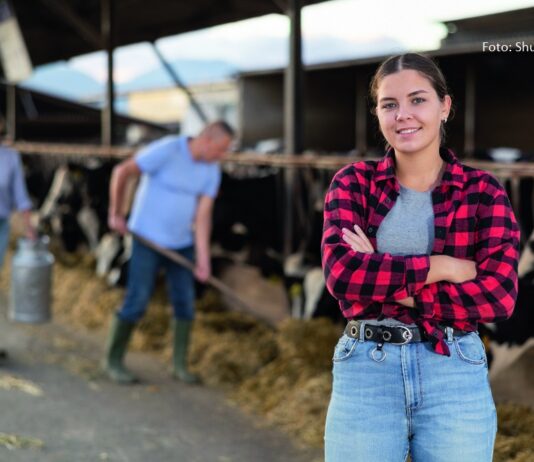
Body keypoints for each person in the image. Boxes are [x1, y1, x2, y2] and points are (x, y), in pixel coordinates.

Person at [321, 53, 519, 462]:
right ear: (377, 113)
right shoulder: (353, 184)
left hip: (454, 369)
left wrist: (380, 276)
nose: (403, 116)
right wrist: (441, 267)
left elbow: (498, 297)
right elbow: (342, 276)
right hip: (366, 370)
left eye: (418, 100)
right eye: (389, 104)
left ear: (444, 107)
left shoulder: (483, 192)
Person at [104, 121, 234, 384]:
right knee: (138, 298)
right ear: (207, 139)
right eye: (221, 149)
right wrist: (116, 212)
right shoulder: (167, 150)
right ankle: (112, 360)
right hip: (147, 239)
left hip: (181, 243)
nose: (222, 156)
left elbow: (203, 215)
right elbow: (123, 171)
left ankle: (178, 365)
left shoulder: (211, 171)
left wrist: (203, 260)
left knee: (185, 302)